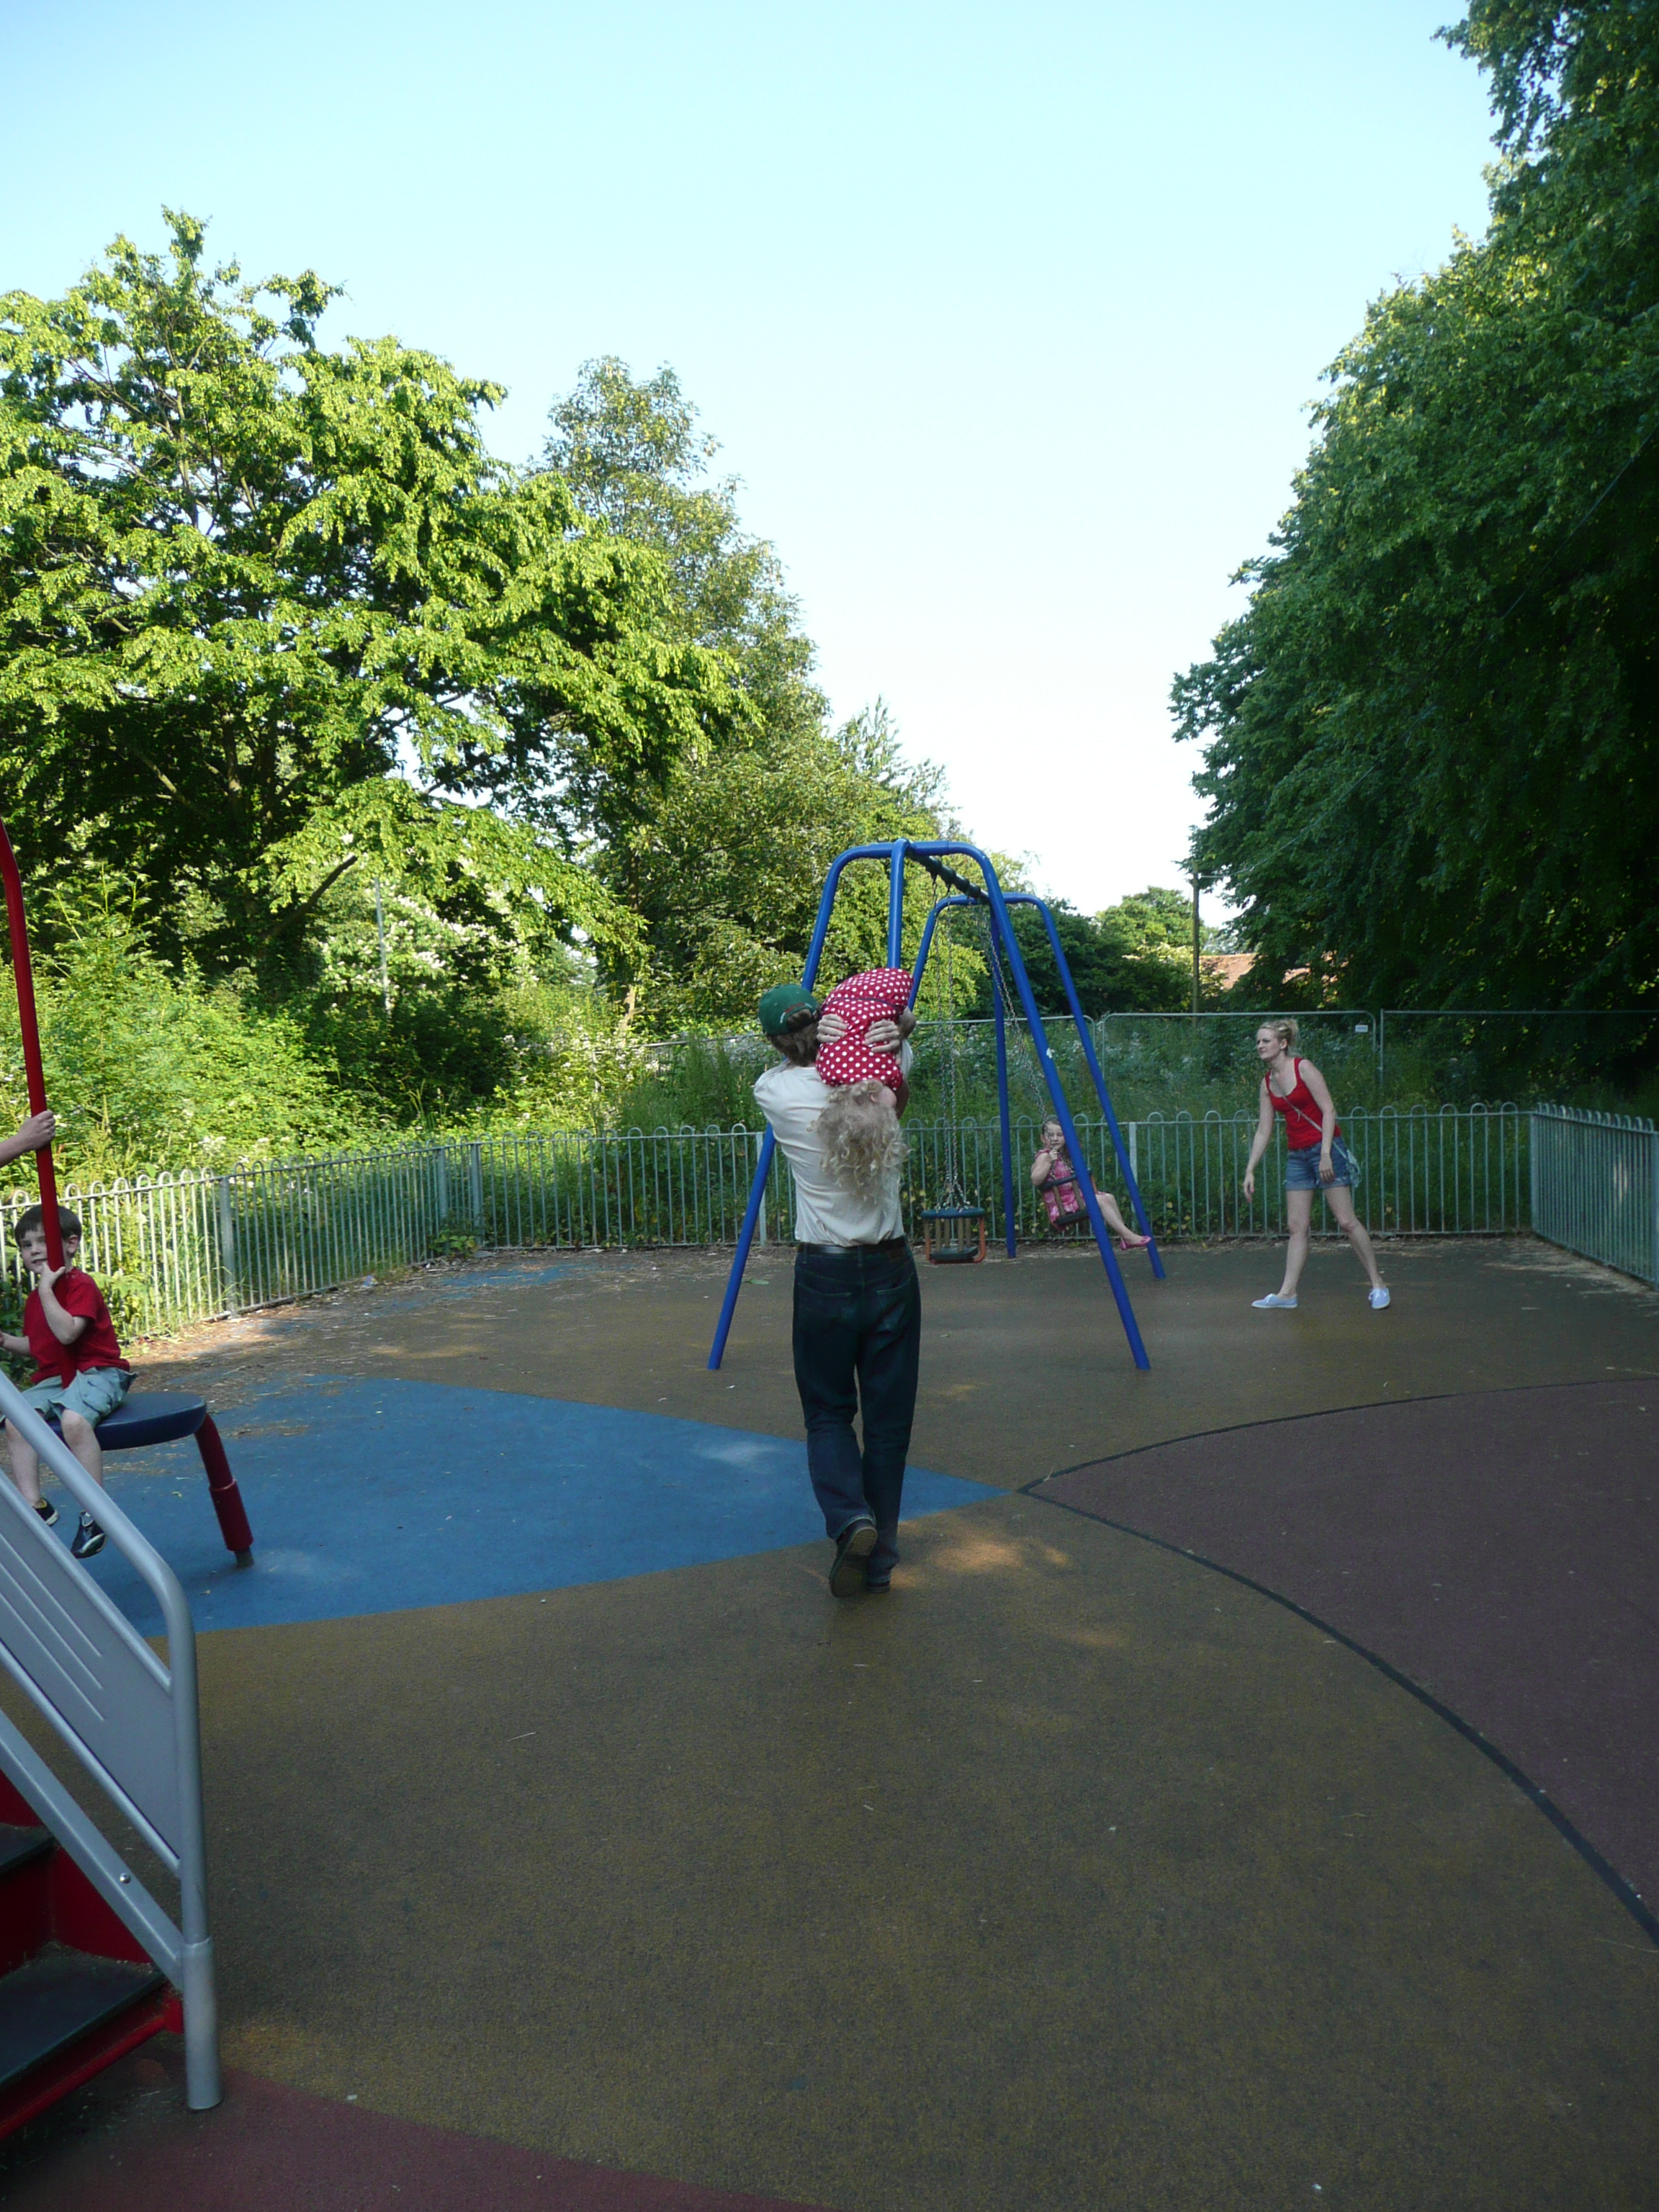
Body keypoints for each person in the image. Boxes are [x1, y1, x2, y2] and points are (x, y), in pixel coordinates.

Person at [752, 979, 920, 1599]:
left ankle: (851, 1518)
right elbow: (900, 1071)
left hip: (823, 1272)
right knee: (888, 1424)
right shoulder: (883, 1068)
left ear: (778, 1043)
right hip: (890, 1267)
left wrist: (814, 1040)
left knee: (827, 1412)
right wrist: (897, 1030)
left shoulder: (774, 1092)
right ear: (826, 1019)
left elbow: (797, 1065)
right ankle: (881, 1560)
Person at [0, 1202, 132, 1558]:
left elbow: (68, 1333)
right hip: (58, 1375)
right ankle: (35, 1505)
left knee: (74, 1421)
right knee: (16, 1420)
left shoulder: (79, 1286)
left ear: (71, 1244)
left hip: (99, 1371)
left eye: (43, 1241)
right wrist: (6, 1341)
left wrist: (47, 1290)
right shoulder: (36, 1299)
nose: (34, 1250)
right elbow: (40, 1345)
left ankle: (96, 1513)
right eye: (26, 1245)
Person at [1241, 1019, 1388, 1311]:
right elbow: (1264, 1130)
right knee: (1297, 1226)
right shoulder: (1267, 1083)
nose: (1260, 1046)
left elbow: (1329, 1110)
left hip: (1325, 1150)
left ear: (1283, 1044)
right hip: (1297, 1156)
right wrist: (1250, 1169)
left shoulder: (1303, 1068)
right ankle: (1287, 1294)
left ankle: (1378, 1284)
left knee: (1346, 1221)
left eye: (1266, 1041)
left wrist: (1325, 1155)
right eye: (1258, 1041)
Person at [1030, 1119, 1151, 1248]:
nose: (1055, 1139)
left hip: (1074, 1199)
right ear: (1043, 1138)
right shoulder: (1045, 1156)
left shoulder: (1063, 1155)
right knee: (1100, 1200)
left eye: (1060, 1135)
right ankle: (1128, 1236)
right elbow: (1035, 1180)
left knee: (1109, 1198)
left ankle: (1124, 1238)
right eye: (1050, 1135)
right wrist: (1048, 1161)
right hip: (1062, 1206)